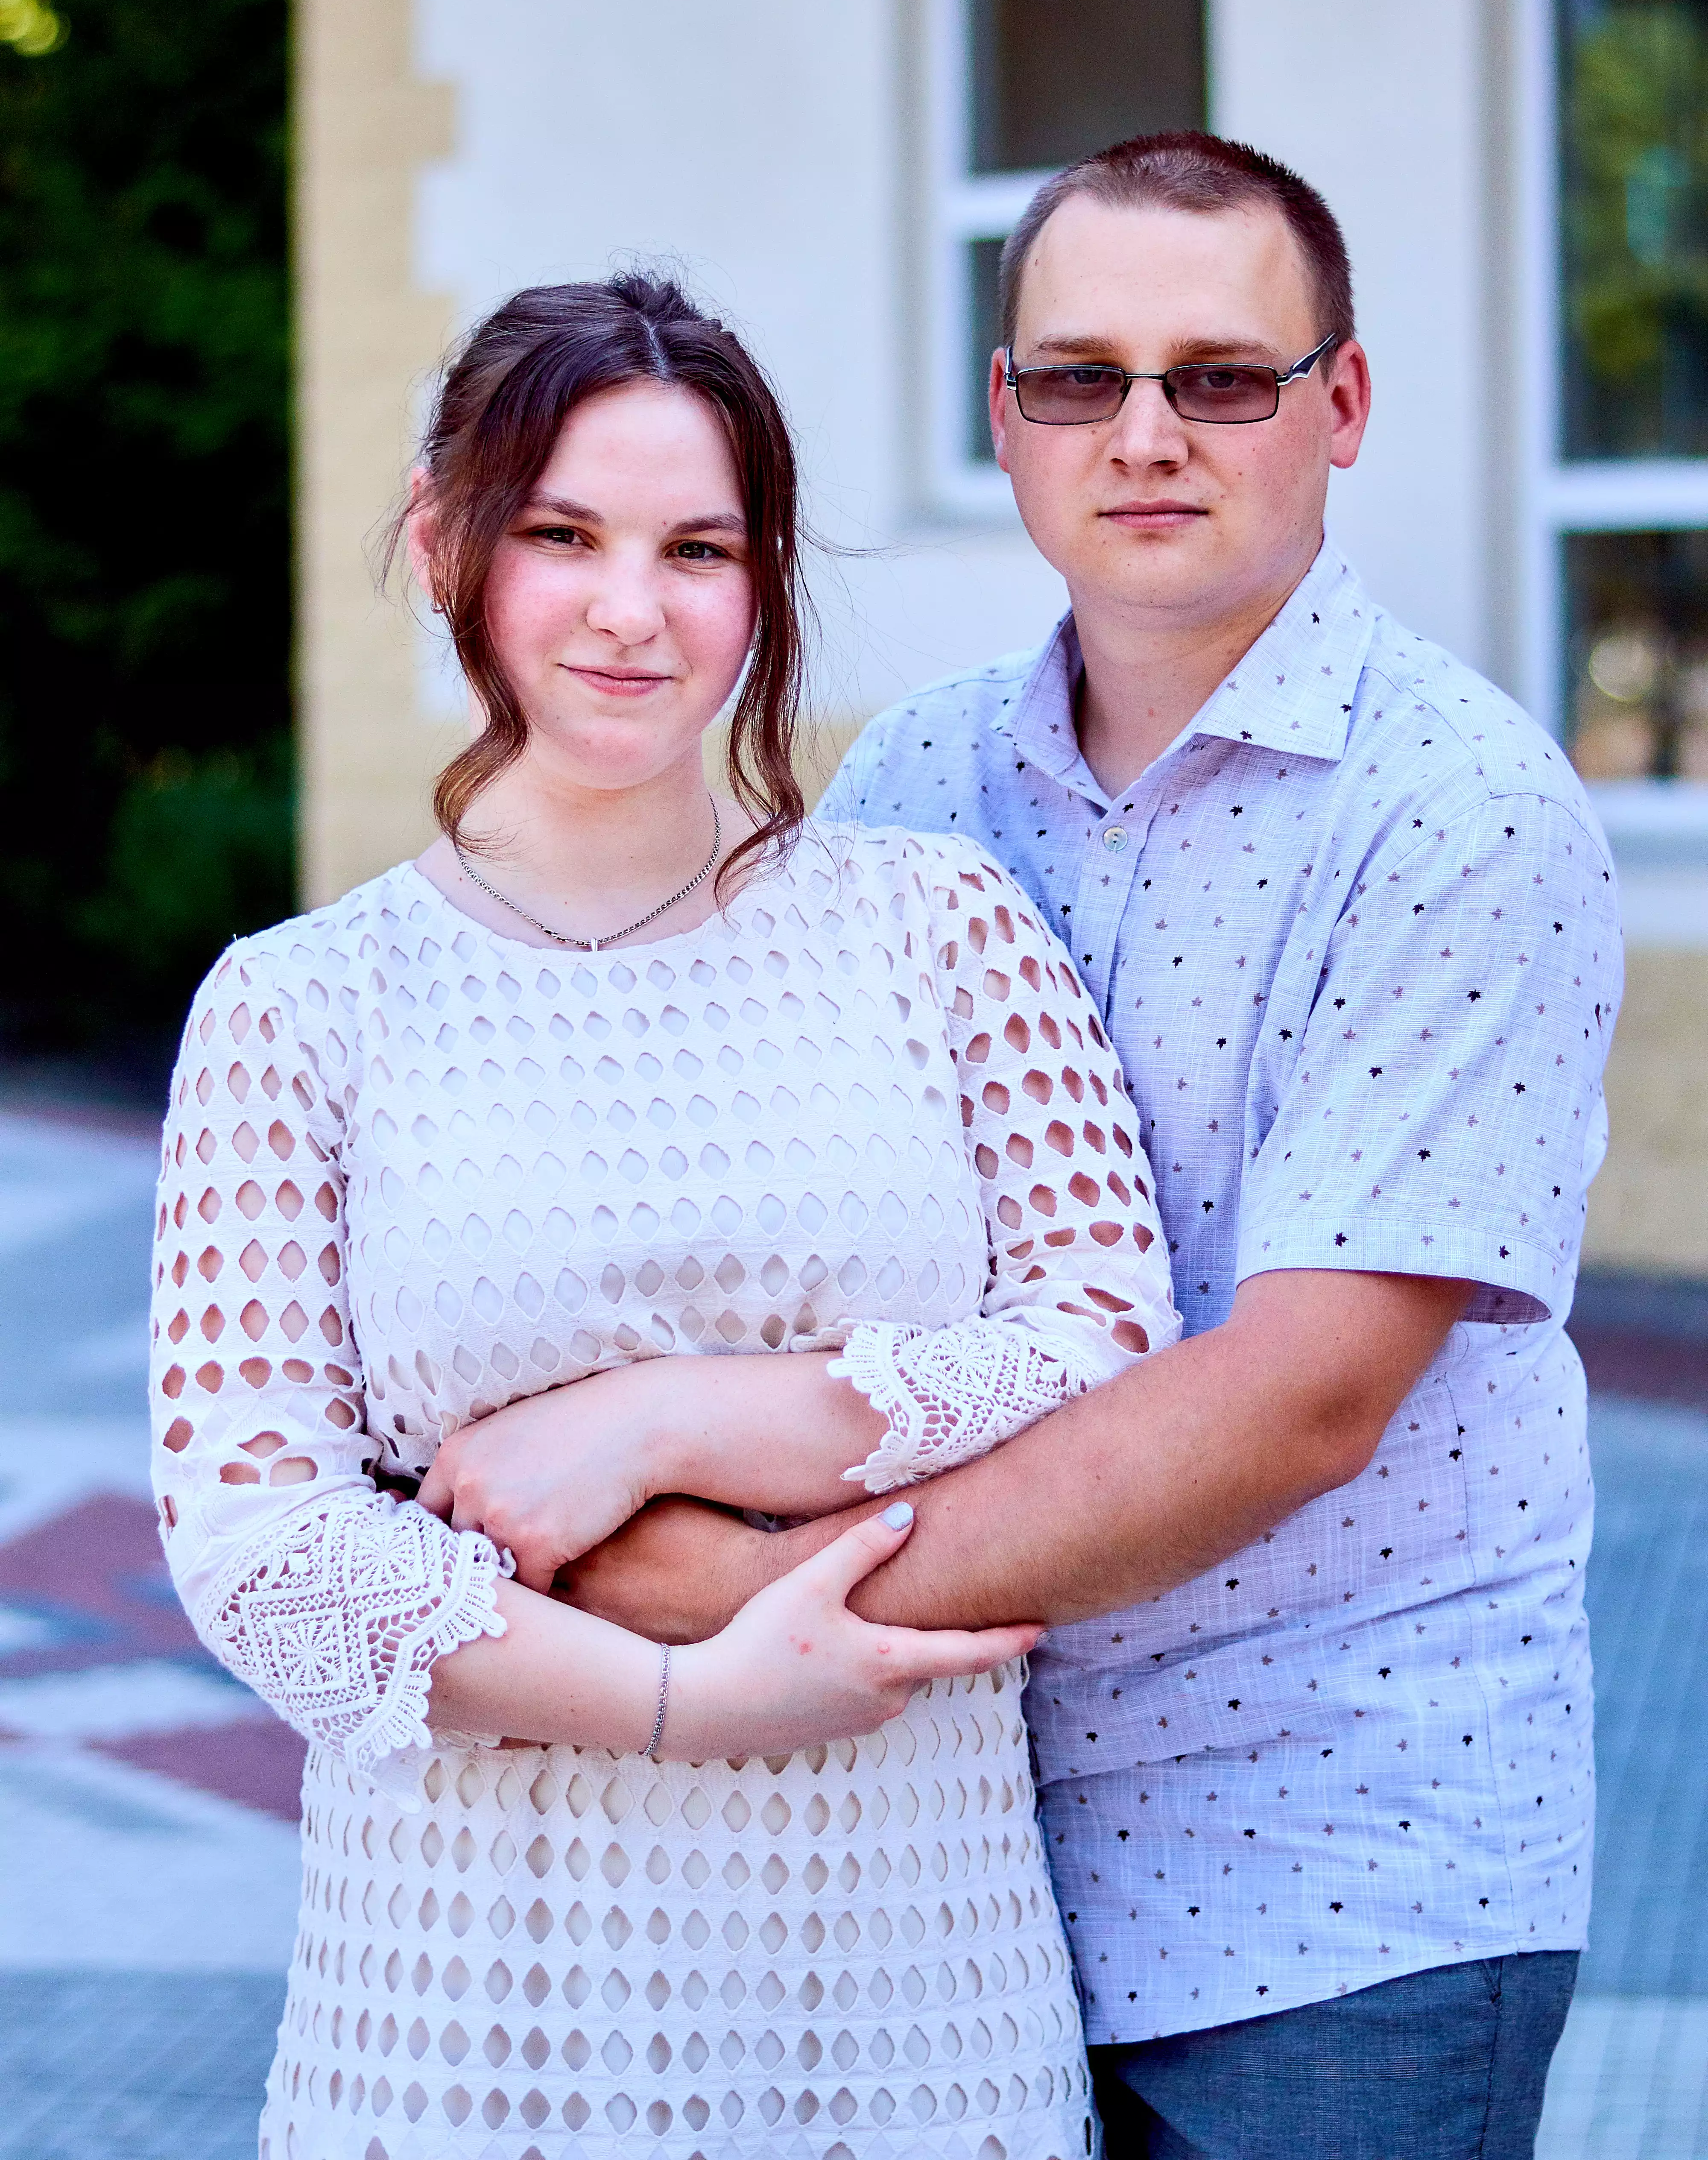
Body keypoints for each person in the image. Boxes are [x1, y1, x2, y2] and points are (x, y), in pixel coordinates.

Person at [556, 135, 1623, 2159]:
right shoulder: (914, 778)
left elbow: (1305, 1393)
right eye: (1079, 377)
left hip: (1337, 1882)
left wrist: (758, 1589)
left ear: (1344, 405)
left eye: (1220, 374)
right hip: (947, 1857)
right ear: (1008, 415)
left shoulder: (1461, 810)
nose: (1145, 433)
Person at [148, 270, 1180, 2160]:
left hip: (911, 2005)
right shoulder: (301, 1008)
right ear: (446, 539)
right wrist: (692, 1700)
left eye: (698, 548)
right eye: (564, 535)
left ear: (764, 579)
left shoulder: (938, 928)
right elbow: (260, 1544)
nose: (633, 610)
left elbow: (1110, 1345)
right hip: (465, 2027)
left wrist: (667, 1416)